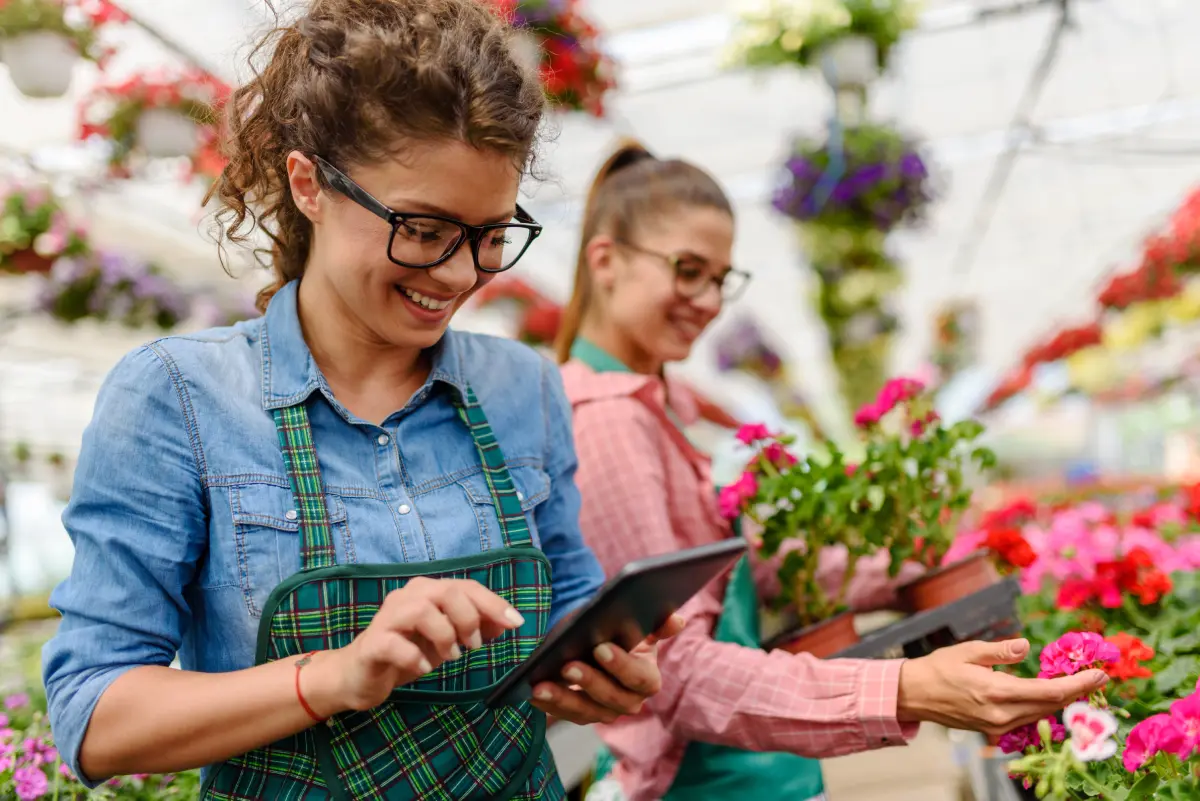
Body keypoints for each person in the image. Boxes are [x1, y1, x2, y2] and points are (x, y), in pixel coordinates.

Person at [40, 4, 682, 799]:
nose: (457, 274)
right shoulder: (178, 398)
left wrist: (600, 661)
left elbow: (570, 600)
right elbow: (94, 717)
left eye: (488, 235)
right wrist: (335, 675)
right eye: (421, 228)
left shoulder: (524, 386)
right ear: (308, 183)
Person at [555, 141, 1110, 801]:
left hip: (758, 771)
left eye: (722, 278)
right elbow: (671, 670)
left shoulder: (653, 405)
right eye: (687, 269)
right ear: (606, 260)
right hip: (709, 784)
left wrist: (922, 560)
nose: (707, 300)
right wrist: (904, 689)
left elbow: (744, 568)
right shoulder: (605, 418)